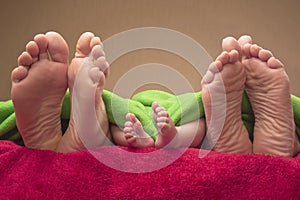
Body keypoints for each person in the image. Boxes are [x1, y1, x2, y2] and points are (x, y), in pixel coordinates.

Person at [10, 31, 300, 156]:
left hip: (128, 126)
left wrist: (151, 139)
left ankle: (78, 132)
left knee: (123, 126)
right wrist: (162, 139)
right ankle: (236, 131)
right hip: (176, 126)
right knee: (195, 126)